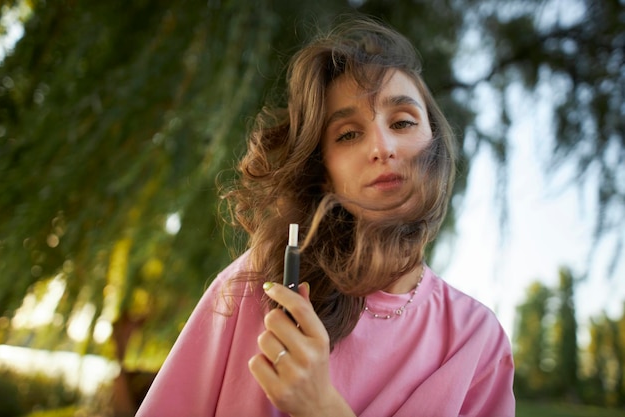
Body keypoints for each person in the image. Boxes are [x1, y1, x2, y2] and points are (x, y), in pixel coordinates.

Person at [136, 16, 515, 417]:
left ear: (436, 145)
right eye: (348, 134)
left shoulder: (477, 340)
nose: (381, 147)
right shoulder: (255, 286)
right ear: (324, 173)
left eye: (402, 121)